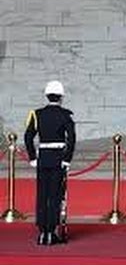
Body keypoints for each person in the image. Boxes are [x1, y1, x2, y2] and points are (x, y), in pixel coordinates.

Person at [24, 80, 76, 245]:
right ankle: (51, 232)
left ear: (47, 96)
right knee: (55, 195)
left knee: (42, 195)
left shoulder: (37, 114)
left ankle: (42, 232)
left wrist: (33, 157)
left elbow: (28, 137)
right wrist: (67, 159)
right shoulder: (65, 115)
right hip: (58, 159)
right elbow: (72, 139)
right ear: (61, 97)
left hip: (43, 158)